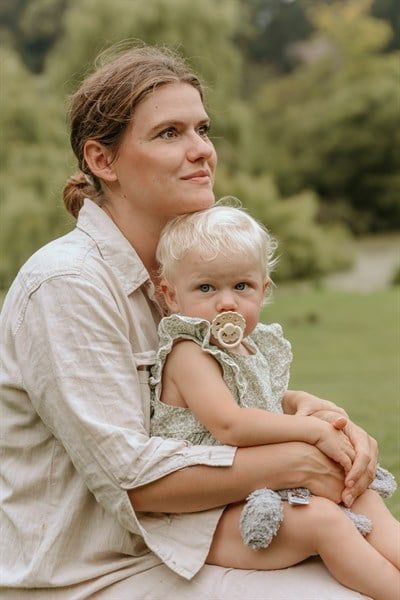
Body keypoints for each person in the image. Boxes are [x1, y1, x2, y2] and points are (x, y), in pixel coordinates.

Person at [0, 43, 382, 599]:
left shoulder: (187, 275)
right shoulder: (67, 285)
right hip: (92, 576)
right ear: (102, 161)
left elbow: (203, 403)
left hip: (187, 544)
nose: (201, 150)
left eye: (203, 129)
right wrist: (298, 460)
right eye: (169, 133)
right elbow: (134, 479)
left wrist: (313, 415)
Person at [150, 204, 399, 600]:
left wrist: (296, 401)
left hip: (254, 488)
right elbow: (230, 424)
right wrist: (311, 431)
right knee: (322, 520)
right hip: (200, 514)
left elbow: (259, 399)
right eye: (206, 288)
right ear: (171, 294)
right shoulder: (189, 353)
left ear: (263, 290)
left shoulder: (251, 346)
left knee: (356, 492)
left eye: (241, 287)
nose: (227, 303)